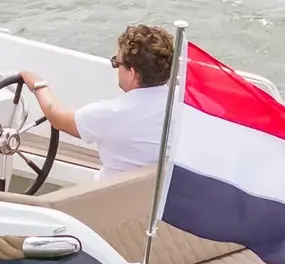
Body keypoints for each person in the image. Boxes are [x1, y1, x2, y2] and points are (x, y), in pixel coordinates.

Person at [19, 24, 174, 179]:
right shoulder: (181, 110)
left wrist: (37, 84)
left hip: (110, 193)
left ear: (132, 73)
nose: (116, 69)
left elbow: (56, 117)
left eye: (116, 63)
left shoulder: (110, 115)